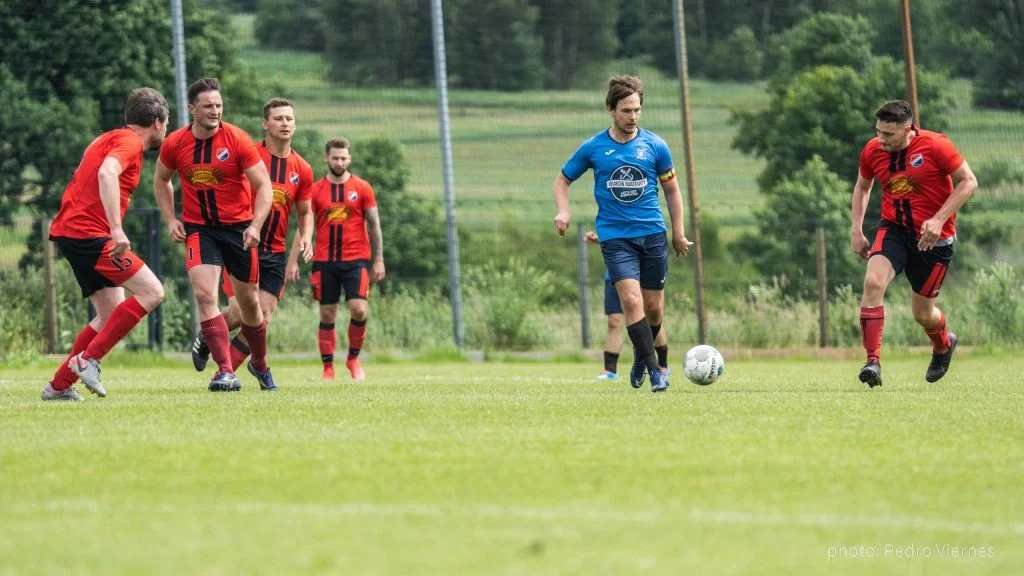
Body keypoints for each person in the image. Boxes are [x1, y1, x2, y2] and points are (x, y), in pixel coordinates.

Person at [554, 75, 690, 393]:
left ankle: (643, 357)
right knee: (631, 301)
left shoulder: (656, 145)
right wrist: (564, 210)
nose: (633, 117)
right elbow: (562, 180)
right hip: (615, 237)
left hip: (653, 233)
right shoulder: (594, 147)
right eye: (626, 110)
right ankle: (656, 372)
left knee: (654, 307)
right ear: (611, 110)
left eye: (637, 110)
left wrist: (678, 233)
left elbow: (672, 191)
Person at [42, 88, 170, 401]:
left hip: (73, 232)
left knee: (111, 310)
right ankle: (89, 360)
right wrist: (116, 229)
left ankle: (59, 386)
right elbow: (106, 172)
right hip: (90, 234)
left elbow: (83, 173)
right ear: (157, 122)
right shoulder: (129, 143)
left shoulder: (108, 138)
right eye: (166, 124)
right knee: (153, 292)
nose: (166, 130)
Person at [154, 77, 277, 392]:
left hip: (239, 229)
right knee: (204, 295)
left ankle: (260, 365)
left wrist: (255, 226)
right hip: (200, 229)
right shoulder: (175, 144)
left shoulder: (237, 139)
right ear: (191, 109)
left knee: (250, 305)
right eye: (208, 106)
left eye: (218, 105)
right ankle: (225, 371)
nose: (215, 111)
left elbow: (264, 186)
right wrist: (171, 219)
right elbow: (161, 180)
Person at [851, 99, 978, 387]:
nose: (880, 139)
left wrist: (937, 219)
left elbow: (968, 182)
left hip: (935, 240)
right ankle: (873, 362)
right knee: (872, 283)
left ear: (907, 130)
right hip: (894, 230)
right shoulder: (872, 150)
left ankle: (944, 344)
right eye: (878, 131)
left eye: (888, 134)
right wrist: (856, 230)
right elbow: (862, 187)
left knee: (923, 314)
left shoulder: (936, 146)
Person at [190, 98, 315, 374]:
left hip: (275, 252)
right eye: (278, 118)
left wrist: (306, 237)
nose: (285, 123)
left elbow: (306, 212)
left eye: (289, 119)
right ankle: (206, 336)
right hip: (242, 245)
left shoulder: (302, 169)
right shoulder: (248, 155)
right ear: (265, 124)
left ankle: (225, 374)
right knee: (239, 312)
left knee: (263, 317)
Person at [309, 138, 385, 380]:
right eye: (335, 158)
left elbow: (374, 226)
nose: (339, 162)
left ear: (349, 159)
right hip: (324, 261)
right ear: (326, 158)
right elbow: (306, 225)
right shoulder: (315, 190)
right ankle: (328, 368)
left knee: (359, 309)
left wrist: (379, 259)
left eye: (343, 158)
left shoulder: (362, 187)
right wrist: (296, 256)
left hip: (356, 260)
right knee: (327, 314)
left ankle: (353, 359)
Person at [585, 231, 670, 380]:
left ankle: (662, 364)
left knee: (651, 316)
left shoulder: (647, 219)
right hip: (615, 275)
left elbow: (635, 237)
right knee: (614, 321)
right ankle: (610, 369)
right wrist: (599, 238)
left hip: (641, 277)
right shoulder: (609, 215)